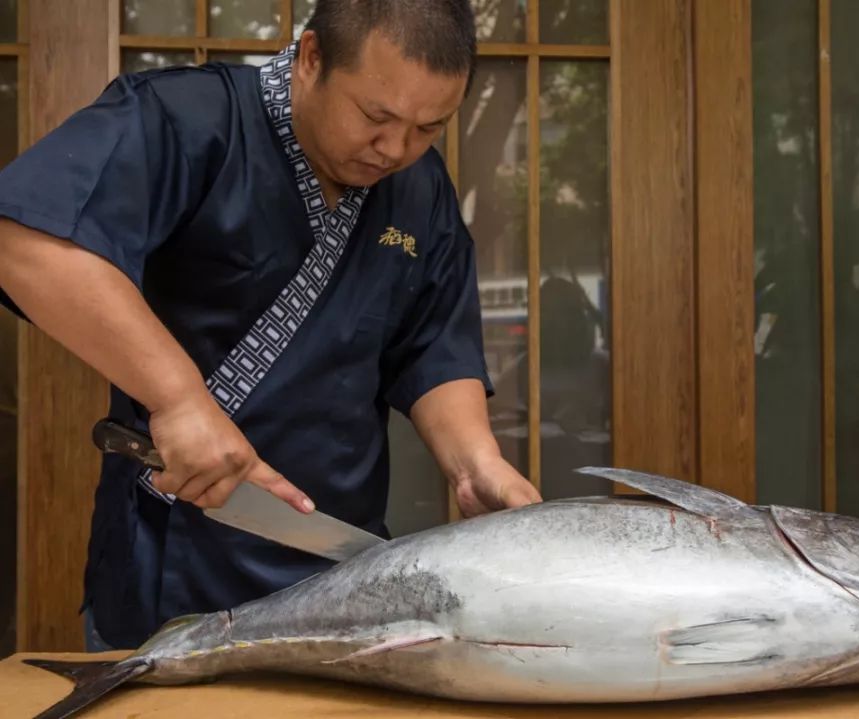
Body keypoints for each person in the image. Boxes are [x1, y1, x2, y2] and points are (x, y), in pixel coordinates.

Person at [0, 0, 541, 651]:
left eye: (430, 126)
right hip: (179, 559)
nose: (396, 149)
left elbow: (433, 343)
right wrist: (178, 399)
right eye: (376, 116)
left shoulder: (420, 186)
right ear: (311, 58)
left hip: (341, 572)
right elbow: (26, 238)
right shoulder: (187, 119)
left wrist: (473, 461)